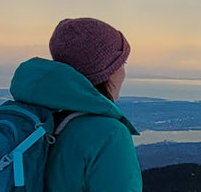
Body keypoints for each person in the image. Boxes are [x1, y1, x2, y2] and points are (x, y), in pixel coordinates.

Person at [8, 18, 141, 191]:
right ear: (106, 72)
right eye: (121, 64)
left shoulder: (26, 119)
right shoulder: (109, 134)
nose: (123, 73)